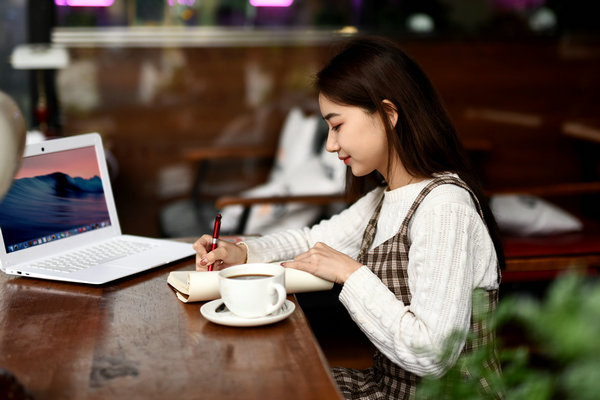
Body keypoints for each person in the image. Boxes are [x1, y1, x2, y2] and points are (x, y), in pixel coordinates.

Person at [194, 36, 504, 399]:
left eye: (337, 125)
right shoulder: (383, 199)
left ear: (388, 114)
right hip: (390, 389)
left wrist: (349, 273)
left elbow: (433, 354)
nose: (330, 144)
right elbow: (312, 242)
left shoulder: (444, 208)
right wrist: (243, 253)